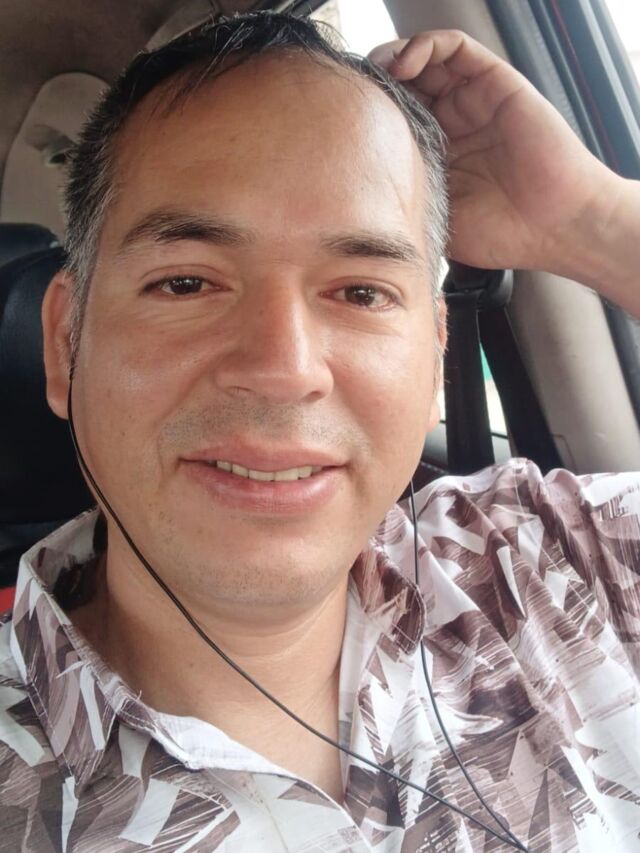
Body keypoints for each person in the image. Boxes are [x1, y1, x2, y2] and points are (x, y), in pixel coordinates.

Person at [1, 10, 639, 852]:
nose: (283, 368)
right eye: (186, 283)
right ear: (65, 341)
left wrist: (590, 220)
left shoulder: (561, 562)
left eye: (362, 292)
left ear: (435, 353)